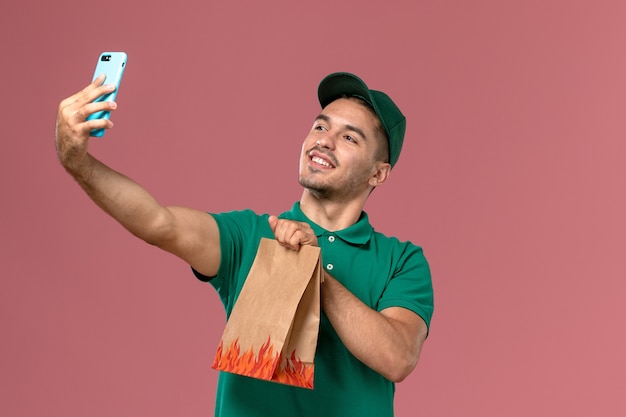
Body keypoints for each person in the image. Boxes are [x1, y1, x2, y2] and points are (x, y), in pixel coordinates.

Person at [55, 71, 434, 417]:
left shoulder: (401, 260)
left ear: (378, 173)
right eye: (320, 126)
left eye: (349, 137)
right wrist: (78, 163)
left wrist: (314, 272)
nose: (324, 140)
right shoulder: (250, 236)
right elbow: (158, 221)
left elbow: (397, 357)